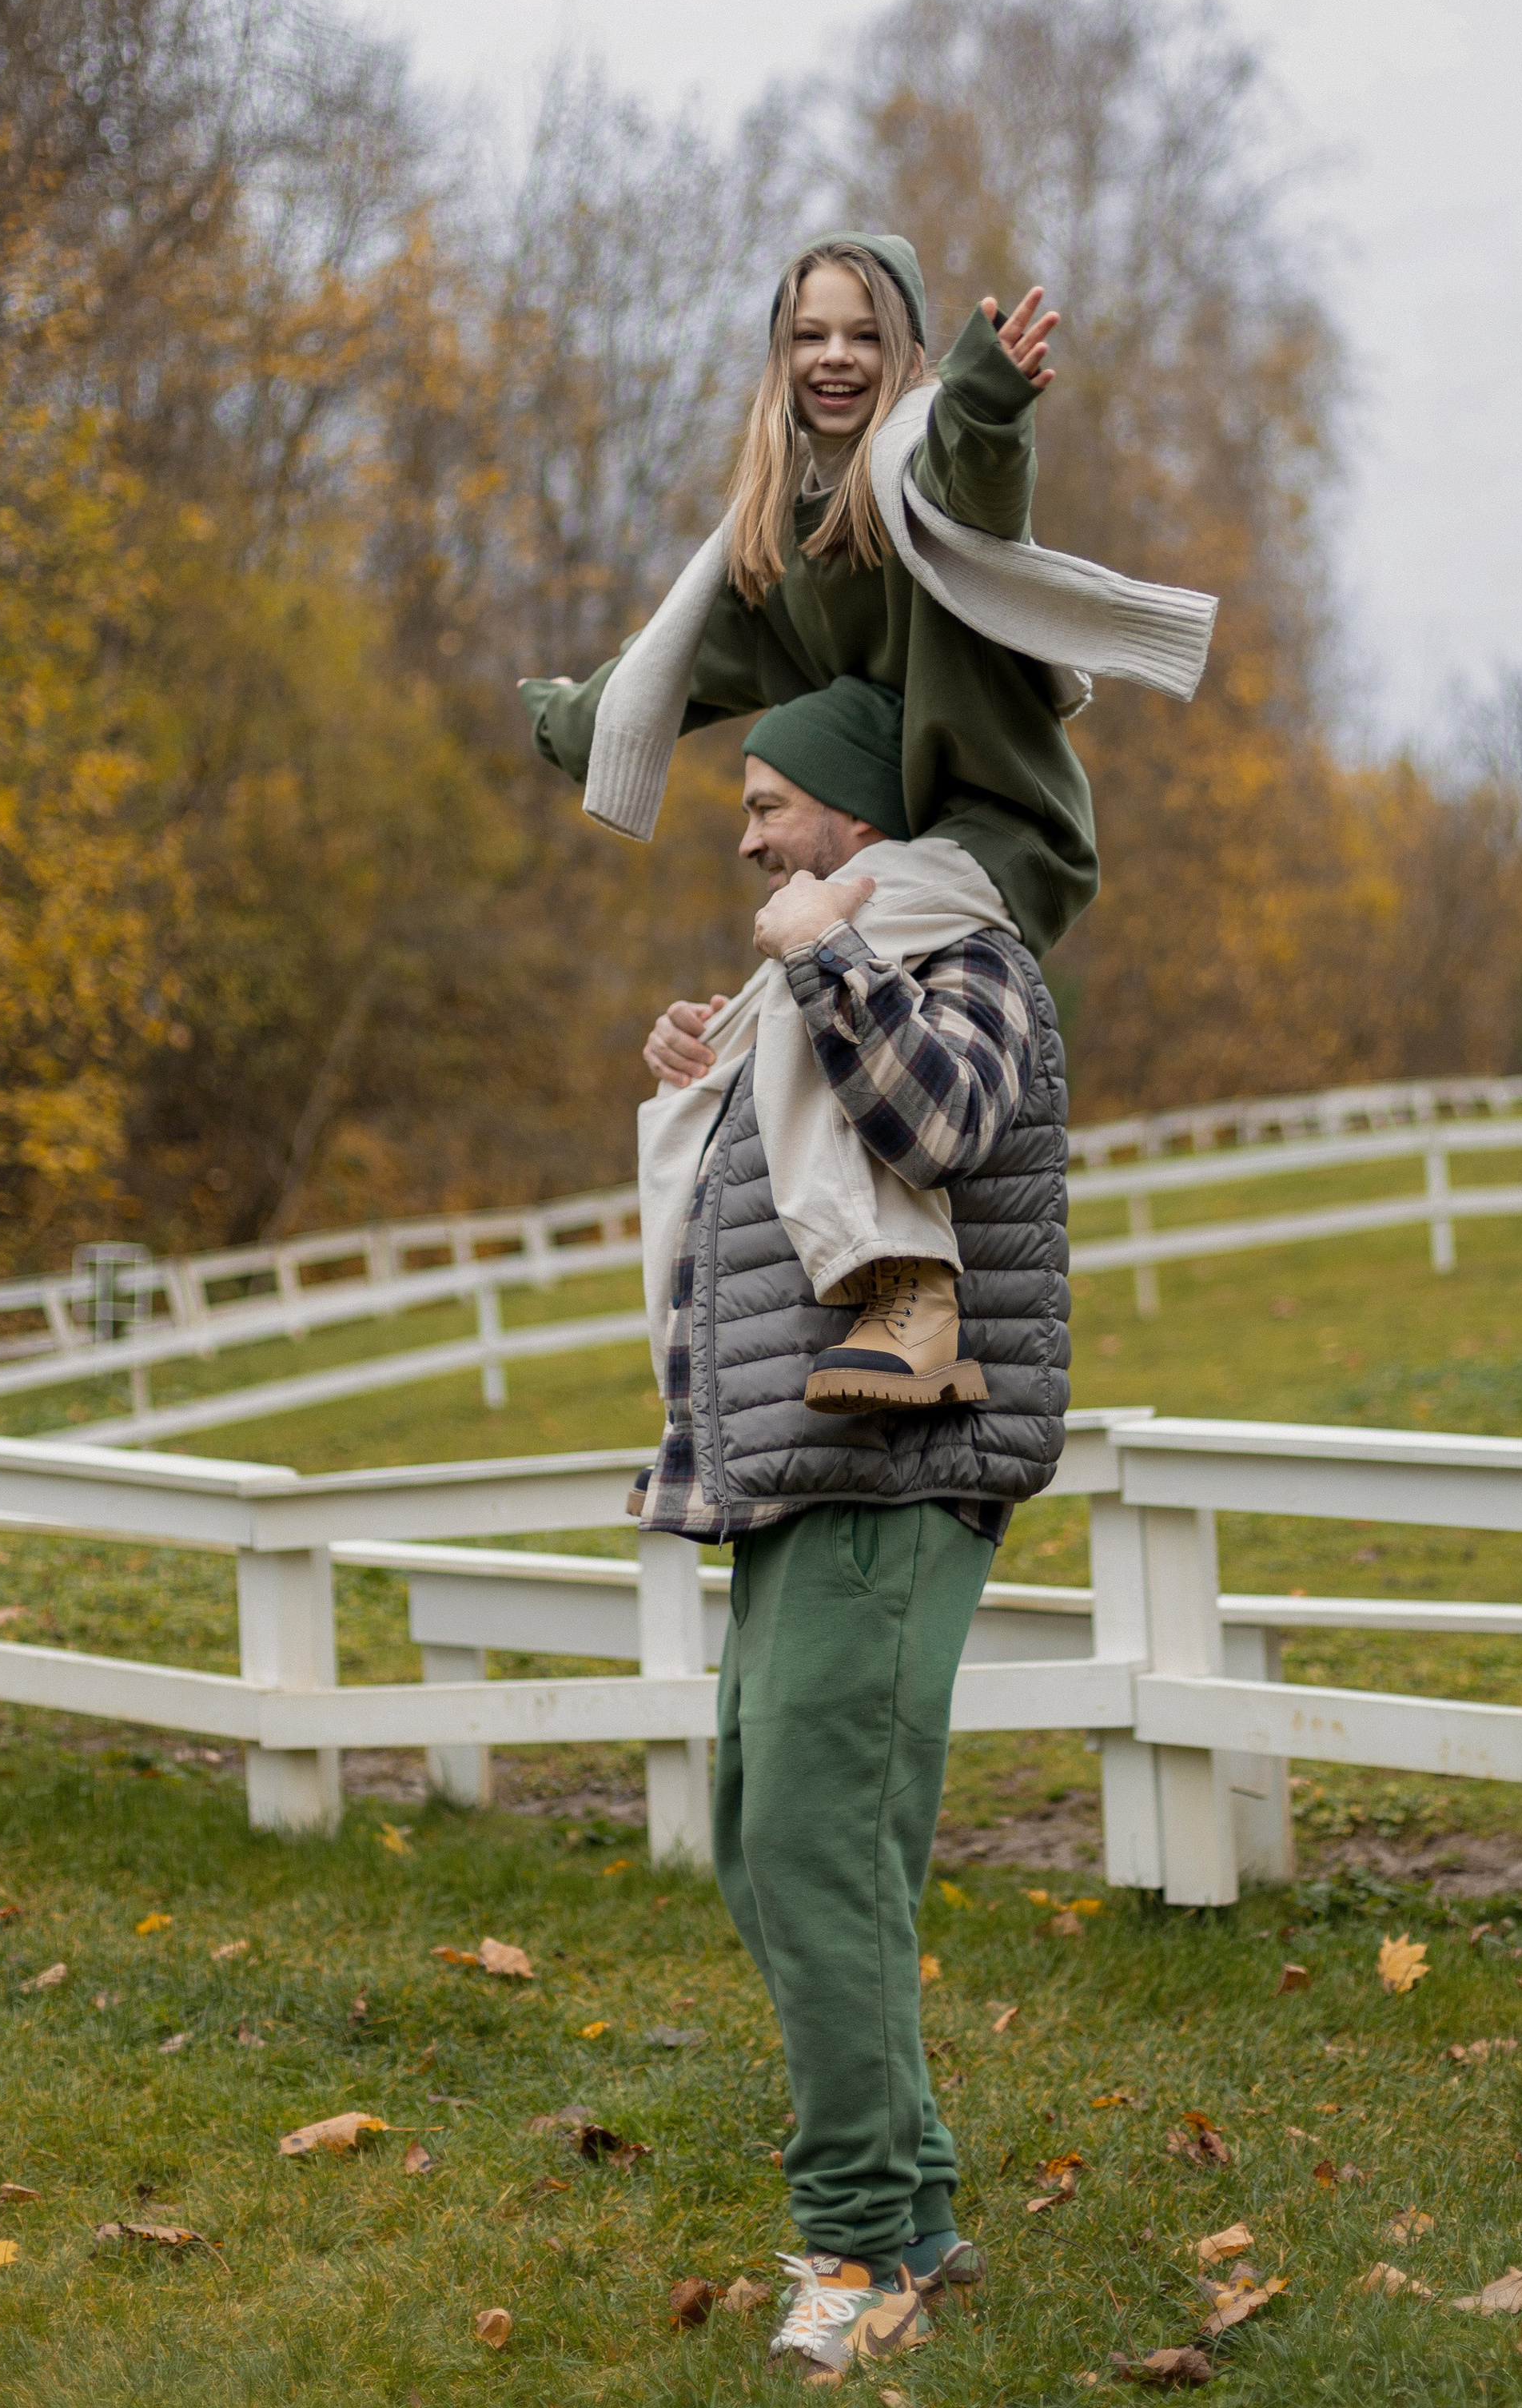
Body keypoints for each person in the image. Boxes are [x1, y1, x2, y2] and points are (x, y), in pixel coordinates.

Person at [520, 234, 1216, 1406]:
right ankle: (698, 1396)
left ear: (899, 351)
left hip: (995, 834)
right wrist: (577, 720)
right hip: (888, 853)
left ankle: (909, 1292)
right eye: (809, 335)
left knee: (810, 963)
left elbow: (975, 488)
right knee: (694, 1079)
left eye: (861, 335)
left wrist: (988, 404)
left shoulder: (912, 473)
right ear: (779, 355)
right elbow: (680, 661)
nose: (834, 359)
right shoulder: (776, 541)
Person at [632, 683, 1072, 2379]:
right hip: (800, 1479)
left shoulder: (962, 953)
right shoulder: (823, 973)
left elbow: (944, 1120)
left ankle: (852, 2245)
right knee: (772, 1844)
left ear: (853, 816)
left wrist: (820, 959)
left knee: (819, 1857)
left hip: (898, 1475)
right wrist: (712, 1066)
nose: (744, 836)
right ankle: (925, 2209)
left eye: (767, 804)